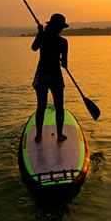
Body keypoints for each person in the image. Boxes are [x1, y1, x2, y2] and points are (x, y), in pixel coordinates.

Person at [31, 13, 69, 143]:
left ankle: (39, 135)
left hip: (41, 74)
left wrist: (40, 34)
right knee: (59, 106)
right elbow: (64, 64)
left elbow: (34, 48)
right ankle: (59, 135)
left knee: (41, 105)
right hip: (55, 76)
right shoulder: (63, 42)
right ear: (60, 28)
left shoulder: (43, 37)